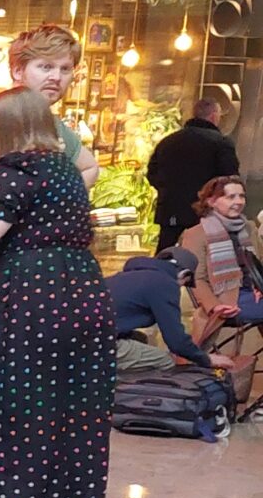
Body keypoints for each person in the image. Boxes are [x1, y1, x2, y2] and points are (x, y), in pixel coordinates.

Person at [0, 85, 116, 498]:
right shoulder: (63, 167)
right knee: (72, 395)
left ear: (13, 125)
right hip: (81, 286)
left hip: (33, 291)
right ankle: (62, 491)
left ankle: (7, 496)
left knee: (13, 391)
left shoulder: (17, 168)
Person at [0, 26, 99, 345]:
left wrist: (46, 200)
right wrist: (33, 185)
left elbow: (90, 167)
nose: (56, 77)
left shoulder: (53, 125)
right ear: (17, 70)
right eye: (45, 66)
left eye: (65, 69)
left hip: (42, 283)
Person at [147, 97, 240, 250]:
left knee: (166, 251)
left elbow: (152, 173)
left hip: (171, 209)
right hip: (205, 212)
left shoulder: (168, 142)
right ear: (214, 116)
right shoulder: (221, 143)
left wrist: (167, 190)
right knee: (202, 253)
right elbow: (230, 179)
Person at [107, 248, 213, 371]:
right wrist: (206, 359)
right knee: (165, 361)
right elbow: (176, 342)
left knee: (140, 339)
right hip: (100, 345)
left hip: (91, 338)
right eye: (184, 284)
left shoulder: (124, 277)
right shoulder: (165, 283)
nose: (180, 288)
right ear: (184, 274)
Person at [188, 175, 263, 331]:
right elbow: (196, 279)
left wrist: (259, 287)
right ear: (211, 201)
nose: (239, 201)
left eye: (242, 196)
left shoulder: (249, 227)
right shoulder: (196, 234)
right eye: (231, 197)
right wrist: (214, 306)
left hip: (256, 294)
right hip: (227, 301)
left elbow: (259, 263)